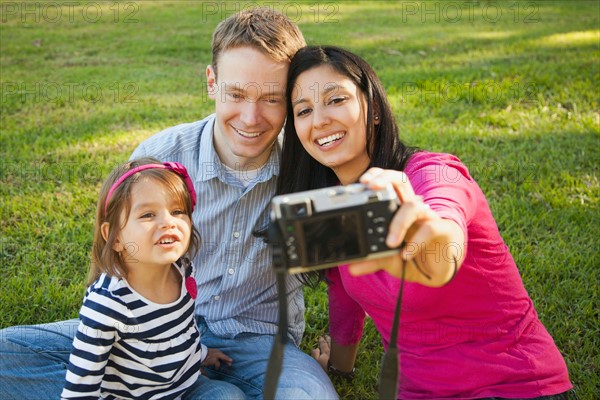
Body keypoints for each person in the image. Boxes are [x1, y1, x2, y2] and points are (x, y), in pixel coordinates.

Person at [0, 8, 338, 400]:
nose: (251, 117)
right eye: (236, 93)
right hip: (145, 331)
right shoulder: (160, 156)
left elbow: (350, 274)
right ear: (212, 82)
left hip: (257, 341)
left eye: (272, 98)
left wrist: (340, 356)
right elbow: (116, 254)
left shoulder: (310, 170)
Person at [278, 45, 574, 399]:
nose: (319, 120)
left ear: (372, 108)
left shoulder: (433, 175)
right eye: (304, 110)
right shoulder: (333, 206)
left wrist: (421, 232)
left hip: (513, 385)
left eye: (336, 99)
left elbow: (444, 243)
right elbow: (345, 292)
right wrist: (340, 368)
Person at [61, 157, 245, 399]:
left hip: (186, 385)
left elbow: (181, 328)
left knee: (229, 396)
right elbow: (80, 387)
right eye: (148, 215)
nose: (168, 222)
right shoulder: (107, 304)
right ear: (114, 237)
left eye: (177, 211)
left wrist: (201, 353)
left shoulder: (182, 270)